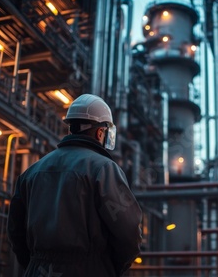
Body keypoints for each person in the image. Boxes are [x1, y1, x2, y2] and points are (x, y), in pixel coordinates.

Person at [8, 94, 142, 277]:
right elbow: (129, 234)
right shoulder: (104, 170)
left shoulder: (32, 172)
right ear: (100, 132)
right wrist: (107, 267)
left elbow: (15, 232)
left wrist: (37, 263)